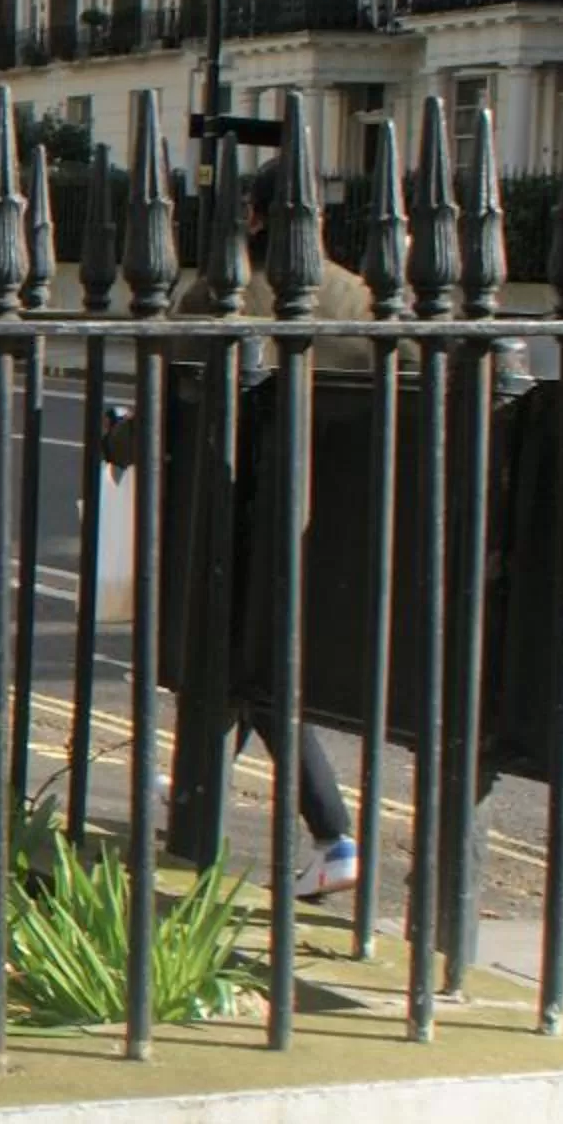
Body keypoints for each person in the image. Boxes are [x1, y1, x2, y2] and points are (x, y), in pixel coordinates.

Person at [164, 160, 365, 900]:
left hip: (235, 520)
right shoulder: (363, 300)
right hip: (336, 532)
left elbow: (174, 409)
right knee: (247, 669)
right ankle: (195, 788)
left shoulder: (221, 292)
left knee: (254, 669)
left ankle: (334, 835)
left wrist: (119, 440)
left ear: (252, 215)